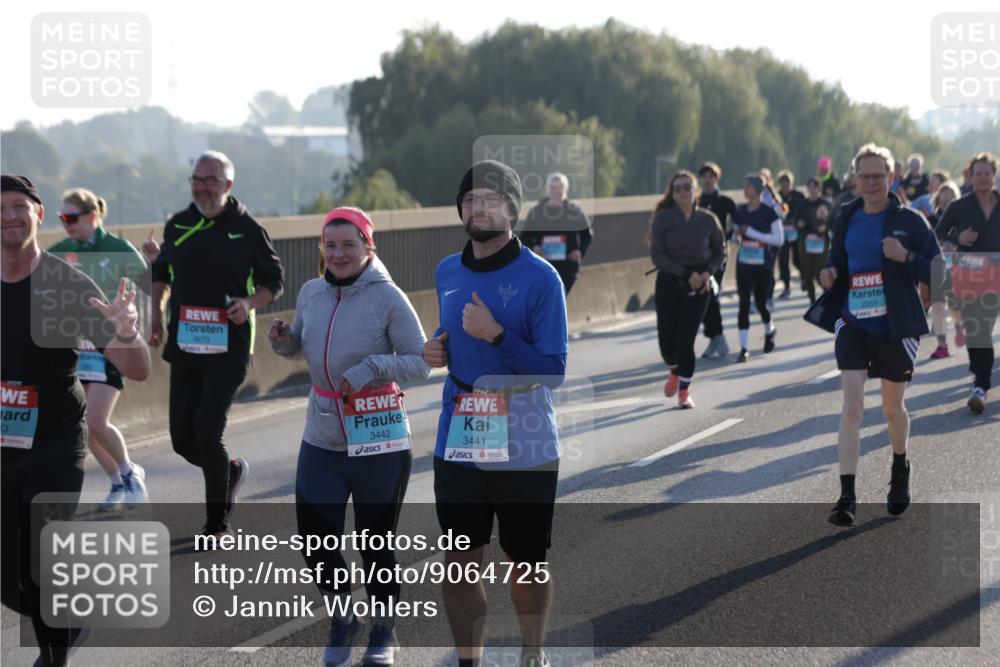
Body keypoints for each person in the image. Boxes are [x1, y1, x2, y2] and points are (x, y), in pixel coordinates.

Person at [422, 159, 568, 667]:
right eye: (469, 200)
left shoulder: (541, 278)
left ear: (511, 208)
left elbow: (553, 370)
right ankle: (469, 661)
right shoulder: (446, 271)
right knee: (459, 564)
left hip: (526, 439)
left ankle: (533, 653)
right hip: (460, 435)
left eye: (490, 199)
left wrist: (498, 335)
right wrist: (435, 350)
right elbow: (449, 339)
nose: (477, 208)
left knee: (526, 563)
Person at [2, 174, 151, 667]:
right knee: (13, 581)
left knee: (41, 567)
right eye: (0, 208)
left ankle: (54, 655)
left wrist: (127, 331)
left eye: (20, 206)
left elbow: (137, 369)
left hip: (54, 446)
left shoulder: (65, 283)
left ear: (39, 214)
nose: (9, 216)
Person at [270, 206, 429, 666]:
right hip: (321, 432)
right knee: (315, 538)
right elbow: (301, 345)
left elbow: (421, 361)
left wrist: (372, 369)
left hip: (377, 434)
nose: (338, 254)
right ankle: (344, 618)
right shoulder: (311, 292)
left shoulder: (388, 297)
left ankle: (384, 631)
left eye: (348, 244)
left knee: (374, 540)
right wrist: (284, 340)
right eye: (330, 245)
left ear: (368, 247)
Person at [150, 150, 285, 537]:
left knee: (208, 431)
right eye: (196, 178)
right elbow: (162, 272)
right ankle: (230, 471)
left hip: (229, 348)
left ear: (227, 185)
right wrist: (157, 316)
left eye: (210, 180)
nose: (201, 186)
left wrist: (248, 302)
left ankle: (217, 523)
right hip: (185, 345)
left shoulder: (247, 228)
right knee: (182, 440)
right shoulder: (178, 225)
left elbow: (274, 282)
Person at [807, 143, 941, 526]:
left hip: (895, 326)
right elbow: (837, 260)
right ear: (855, 177)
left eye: (878, 176)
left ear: (891, 177)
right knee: (852, 408)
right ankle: (847, 496)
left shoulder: (911, 221)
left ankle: (900, 466)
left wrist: (906, 257)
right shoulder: (845, 216)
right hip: (853, 322)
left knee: (891, 409)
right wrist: (830, 273)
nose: (871, 182)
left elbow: (939, 272)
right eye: (864, 176)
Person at [47, 188, 150, 511]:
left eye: (71, 218)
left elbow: (151, 284)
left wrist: (158, 262)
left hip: (110, 347)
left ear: (92, 216)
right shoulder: (60, 251)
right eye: (61, 218)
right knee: (87, 428)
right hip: (75, 351)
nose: (65, 224)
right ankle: (120, 480)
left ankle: (129, 474)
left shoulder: (118, 248)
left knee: (96, 420)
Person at [649, 170, 726, 407]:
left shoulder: (708, 219)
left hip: (700, 285)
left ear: (696, 191)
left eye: (687, 187)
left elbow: (720, 251)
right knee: (667, 345)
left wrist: (707, 272)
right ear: (672, 193)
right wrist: (685, 274)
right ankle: (674, 369)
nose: (683, 192)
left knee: (686, 340)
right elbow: (657, 255)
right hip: (671, 282)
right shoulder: (662, 218)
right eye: (678, 188)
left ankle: (684, 390)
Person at [934, 152, 1000, 413]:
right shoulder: (959, 207)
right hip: (971, 276)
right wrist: (959, 237)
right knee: (977, 331)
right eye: (978, 173)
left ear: (994, 175)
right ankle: (980, 383)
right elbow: (939, 234)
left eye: (987, 173)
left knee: (982, 327)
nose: (983, 178)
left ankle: (980, 384)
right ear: (970, 177)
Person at [733, 174, 784, 362]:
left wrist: (752, 233)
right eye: (744, 186)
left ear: (757, 189)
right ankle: (743, 349)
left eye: (749, 186)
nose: (745, 189)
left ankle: (770, 330)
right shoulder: (740, 211)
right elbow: (735, 236)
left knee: (761, 303)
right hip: (744, 263)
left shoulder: (769, 212)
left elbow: (779, 240)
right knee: (743, 304)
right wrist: (736, 235)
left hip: (763, 265)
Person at [518, 172, 593, 295]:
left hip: (567, 269)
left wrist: (580, 251)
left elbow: (587, 235)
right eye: (553, 187)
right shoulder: (536, 212)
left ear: (565, 189)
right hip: (542, 268)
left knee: (558, 299)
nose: (556, 191)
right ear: (547, 189)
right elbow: (524, 238)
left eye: (560, 187)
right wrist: (534, 247)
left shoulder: (574, 211)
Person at [695, 162, 736, 359]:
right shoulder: (695, 201)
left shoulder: (725, 202)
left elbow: (737, 223)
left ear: (716, 179)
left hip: (718, 256)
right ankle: (714, 337)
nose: (708, 179)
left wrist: (733, 235)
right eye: (704, 176)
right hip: (697, 257)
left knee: (711, 295)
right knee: (701, 298)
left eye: (711, 176)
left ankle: (718, 337)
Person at [927, 181, 964, 360]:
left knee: (955, 308)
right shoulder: (930, 220)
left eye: (951, 195)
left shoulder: (962, 221)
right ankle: (942, 346)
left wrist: (956, 248)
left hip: (958, 269)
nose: (946, 198)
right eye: (943, 194)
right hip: (937, 269)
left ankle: (959, 327)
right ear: (938, 199)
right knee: (938, 307)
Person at [794, 178, 833, 304]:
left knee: (819, 270)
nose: (812, 190)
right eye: (810, 188)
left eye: (815, 187)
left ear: (819, 189)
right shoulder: (802, 204)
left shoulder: (825, 204)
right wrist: (798, 224)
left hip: (821, 242)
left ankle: (827, 292)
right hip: (806, 241)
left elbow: (833, 222)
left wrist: (825, 225)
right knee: (807, 271)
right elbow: (795, 221)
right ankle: (812, 299)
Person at [776, 170, 806, 299]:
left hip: (796, 231)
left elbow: (806, 210)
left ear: (791, 183)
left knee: (797, 258)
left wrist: (800, 221)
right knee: (783, 260)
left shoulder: (798, 195)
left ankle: (804, 277)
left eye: (787, 182)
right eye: (782, 182)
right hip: (782, 232)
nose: (785, 185)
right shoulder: (776, 196)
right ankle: (786, 286)